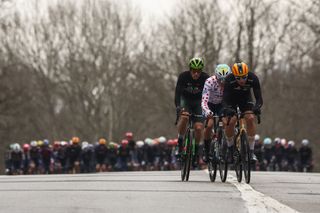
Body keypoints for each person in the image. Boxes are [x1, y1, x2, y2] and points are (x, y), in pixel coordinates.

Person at [222, 62, 263, 162]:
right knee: (230, 122)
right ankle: (231, 148)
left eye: (244, 77)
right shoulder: (229, 79)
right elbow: (225, 99)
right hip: (231, 100)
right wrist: (227, 109)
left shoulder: (253, 78)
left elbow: (259, 98)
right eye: (238, 78)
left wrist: (257, 107)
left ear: (247, 74)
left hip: (245, 100)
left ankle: (252, 152)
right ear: (234, 76)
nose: (242, 80)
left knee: (250, 118)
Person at [174, 57, 209, 159]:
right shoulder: (183, 76)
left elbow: (209, 95)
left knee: (198, 127)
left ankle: (197, 148)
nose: (196, 74)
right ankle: (180, 141)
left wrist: (207, 108)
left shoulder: (206, 78)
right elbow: (177, 93)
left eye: (198, 71)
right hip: (186, 101)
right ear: (190, 70)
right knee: (184, 117)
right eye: (194, 71)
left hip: (199, 102)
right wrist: (178, 107)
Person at [201, 64, 231, 163]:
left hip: (222, 104)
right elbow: (204, 101)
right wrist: (208, 111)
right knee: (209, 125)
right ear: (216, 77)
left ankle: (223, 146)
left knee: (226, 122)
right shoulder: (209, 81)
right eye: (220, 80)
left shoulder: (231, 82)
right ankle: (206, 150)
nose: (222, 83)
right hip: (209, 104)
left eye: (224, 80)